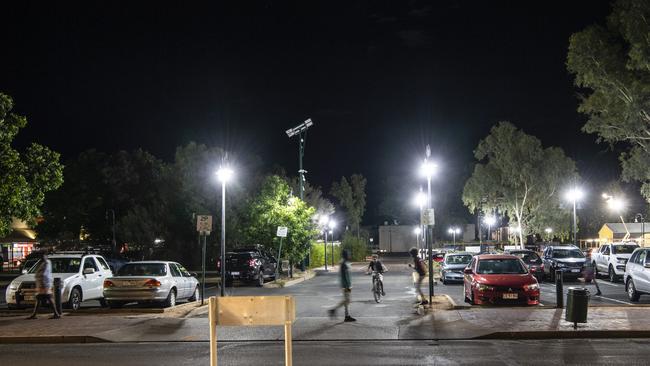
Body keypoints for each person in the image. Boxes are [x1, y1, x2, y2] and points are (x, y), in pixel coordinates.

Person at [27, 252, 61, 319]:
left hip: (44, 284)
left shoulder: (46, 263)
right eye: (41, 256)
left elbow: (44, 274)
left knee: (47, 298)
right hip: (42, 283)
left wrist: (43, 284)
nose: (42, 257)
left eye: (43, 256)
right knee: (40, 298)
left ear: (46, 256)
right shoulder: (43, 262)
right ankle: (35, 314)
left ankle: (56, 313)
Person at [328, 249, 356, 322]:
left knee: (346, 300)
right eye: (348, 254)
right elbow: (345, 275)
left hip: (345, 284)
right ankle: (333, 310)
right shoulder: (344, 263)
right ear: (345, 255)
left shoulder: (344, 262)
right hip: (346, 285)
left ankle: (347, 316)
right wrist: (348, 286)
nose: (349, 255)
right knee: (348, 300)